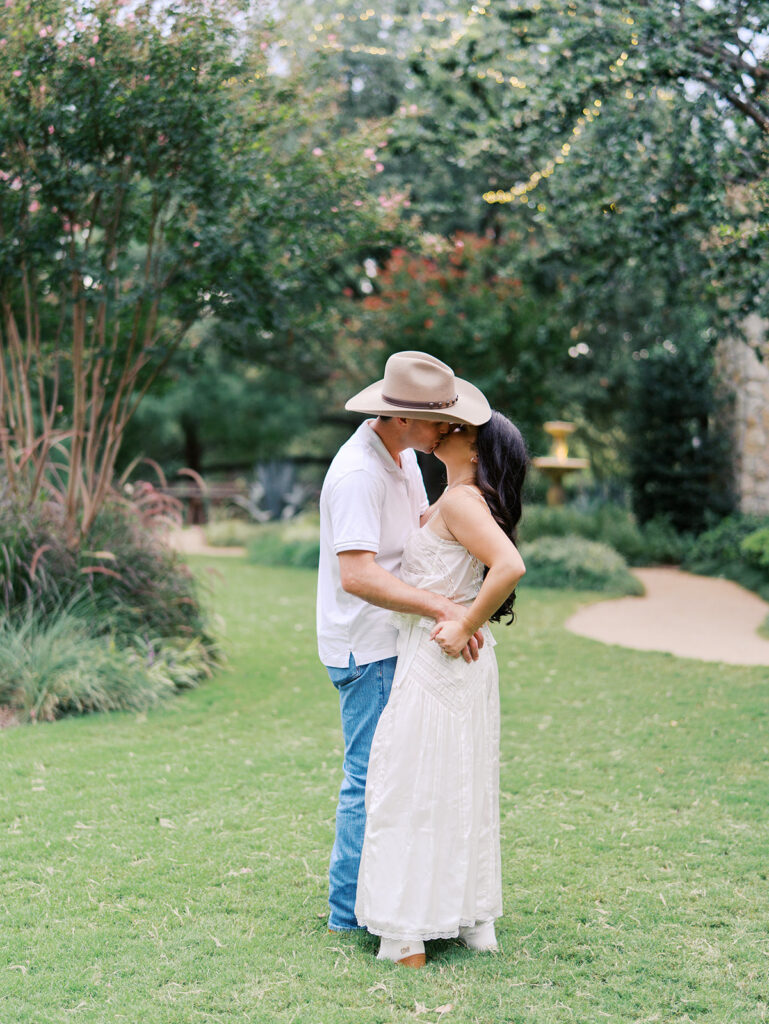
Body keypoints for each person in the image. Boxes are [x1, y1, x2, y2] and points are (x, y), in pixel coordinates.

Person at [317, 351, 492, 933]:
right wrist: (447, 607)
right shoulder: (358, 473)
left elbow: (422, 537)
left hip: (403, 636)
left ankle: (400, 901)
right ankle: (350, 914)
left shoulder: (405, 460)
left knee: (404, 775)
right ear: (402, 418)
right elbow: (358, 575)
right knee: (371, 777)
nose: (447, 430)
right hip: (367, 646)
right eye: (438, 421)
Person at [354, 410, 527, 967]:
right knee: (450, 783)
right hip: (435, 659)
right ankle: (467, 919)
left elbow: (508, 565)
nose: (444, 430)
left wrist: (465, 624)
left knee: (413, 784)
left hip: (441, 657)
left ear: (476, 452)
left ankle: (406, 933)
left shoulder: (459, 502)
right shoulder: (450, 500)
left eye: (459, 431)